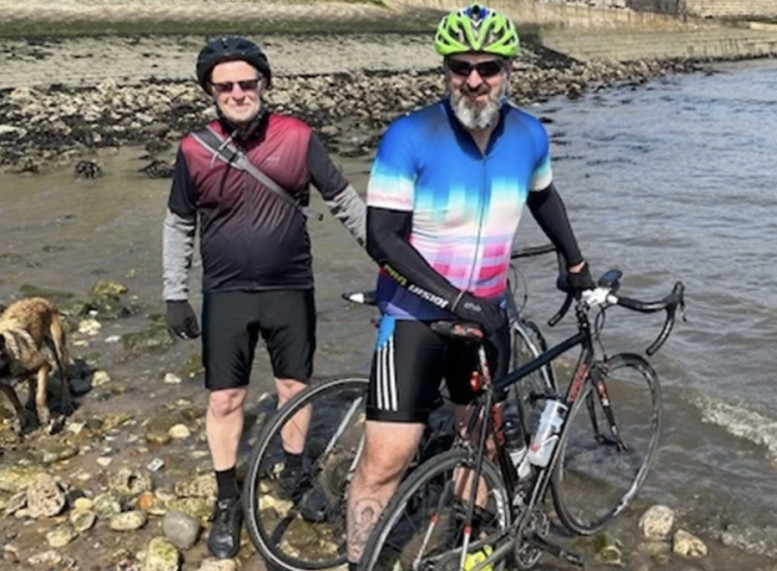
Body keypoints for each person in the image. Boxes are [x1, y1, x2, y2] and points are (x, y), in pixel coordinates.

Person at [345, 4, 595, 568]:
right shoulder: (410, 135)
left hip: (488, 316)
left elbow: (543, 198)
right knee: (387, 460)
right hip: (415, 319)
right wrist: (453, 299)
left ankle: (472, 547)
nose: (474, 80)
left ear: (509, 68)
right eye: (461, 67)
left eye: (487, 67)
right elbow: (382, 237)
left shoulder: (529, 134)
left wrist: (575, 265)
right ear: (446, 68)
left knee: (479, 442)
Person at [161, 35, 367, 559]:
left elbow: (345, 203)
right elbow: (179, 222)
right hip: (226, 292)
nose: (236, 92)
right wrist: (174, 293)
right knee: (225, 398)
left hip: (289, 287)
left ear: (264, 84)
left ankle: (294, 474)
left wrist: (395, 262)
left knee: (294, 387)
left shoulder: (298, 137)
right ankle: (228, 497)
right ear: (210, 91)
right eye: (224, 85)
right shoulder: (193, 148)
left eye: (246, 83)